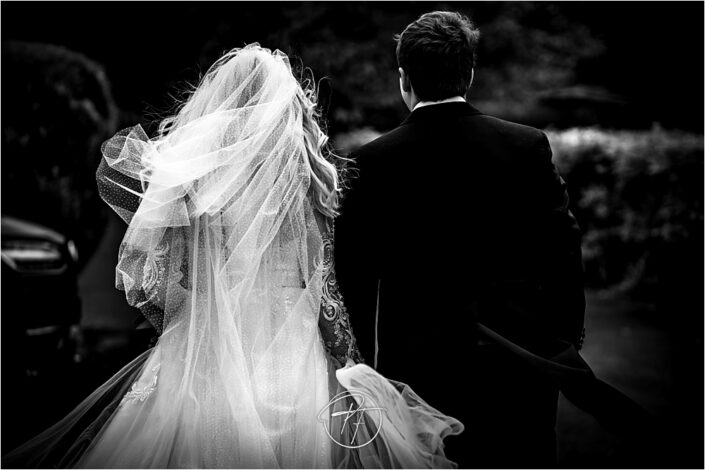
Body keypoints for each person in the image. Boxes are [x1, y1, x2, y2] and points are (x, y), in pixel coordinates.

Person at [2, 44, 463, 469]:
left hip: (206, 342)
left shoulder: (198, 179)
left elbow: (164, 278)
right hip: (290, 340)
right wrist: (348, 358)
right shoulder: (303, 178)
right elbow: (322, 286)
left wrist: (193, 324)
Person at [334, 11, 587, 468]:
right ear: (468, 74)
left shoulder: (371, 162)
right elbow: (563, 250)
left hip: (417, 374)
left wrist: (364, 373)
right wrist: (565, 341)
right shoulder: (525, 145)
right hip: (520, 367)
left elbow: (354, 276)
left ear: (403, 79)